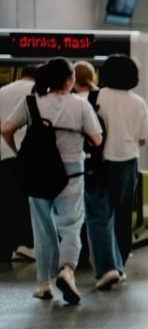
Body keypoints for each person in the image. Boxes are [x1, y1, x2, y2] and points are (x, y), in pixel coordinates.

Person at [1, 58, 103, 304]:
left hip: (37, 173)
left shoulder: (32, 103)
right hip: (71, 174)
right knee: (70, 226)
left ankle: (43, 284)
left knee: (43, 229)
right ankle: (67, 270)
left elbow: (5, 128)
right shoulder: (80, 105)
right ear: (70, 81)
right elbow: (97, 139)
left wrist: (18, 153)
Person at [83, 55, 148, 290]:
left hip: (98, 162)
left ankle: (106, 268)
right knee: (122, 215)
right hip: (128, 162)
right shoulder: (138, 102)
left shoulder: (93, 97)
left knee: (99, 215)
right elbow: (143, 138)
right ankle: (119, 266)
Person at [0, 65, 37, 263]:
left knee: (6, 202)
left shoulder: (2, 91)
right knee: (29, 202)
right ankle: (27, 244)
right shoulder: (37, 92)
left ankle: (5, 247)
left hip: (5, 154)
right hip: (31, 155)